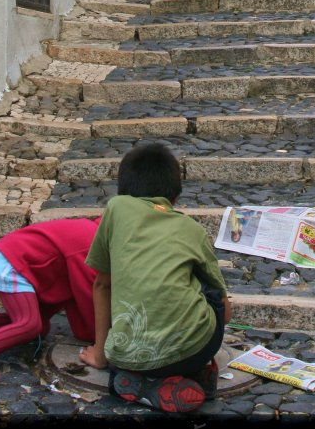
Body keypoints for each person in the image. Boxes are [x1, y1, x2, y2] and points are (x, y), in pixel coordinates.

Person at [80, 141, 232, 414]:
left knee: (123, 360)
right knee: (209, 291)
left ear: (124, 189)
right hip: (195, 351)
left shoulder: (116, 209)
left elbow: (103, 284)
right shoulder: (190, 227)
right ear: (175, 197)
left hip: (128, 356)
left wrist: (100, 355)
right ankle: (194, 372)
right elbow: (225, 307)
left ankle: (137, 385)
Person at [0, 217, 101, 389]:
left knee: (40, 328)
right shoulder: (89, 241)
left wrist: (95, 335)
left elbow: (82, 319)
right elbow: (90, 298)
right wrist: (105, 342)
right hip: (11, 263)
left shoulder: (92, 236)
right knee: (29, 324)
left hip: (21, 266)